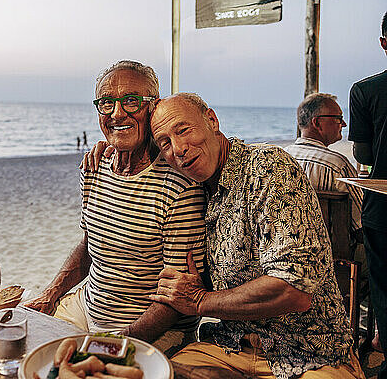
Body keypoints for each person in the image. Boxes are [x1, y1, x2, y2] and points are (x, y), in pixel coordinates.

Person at [148, 93, 364, 378]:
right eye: (165, 143)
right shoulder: (196, 185)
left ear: (212, 120)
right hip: (229, 347)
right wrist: (108, 149)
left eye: (183, 130)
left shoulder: (267, 167)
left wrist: (200, 301)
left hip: (309, 353)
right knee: (156, 373)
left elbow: (293, 290)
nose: (178, 148)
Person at [24, 61, 206, 353]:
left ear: (153, 107)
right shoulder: (94, 168)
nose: (117, 113)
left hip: (152, 331)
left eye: (131, 102)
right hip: (86, 309)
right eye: (106, 103)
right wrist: (51, 293)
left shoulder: (179, 186)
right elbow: (89, 244)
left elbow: (177, 297)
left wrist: (114, 342)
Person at [349, 11, 387, 376]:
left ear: (384, 43)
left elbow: (363, 156)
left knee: (384, 285)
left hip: (384, 204)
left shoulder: (366, 90)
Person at [284, 93, 363, 248]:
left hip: (288, 251)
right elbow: (362, 226)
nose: (344, 124)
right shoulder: (337, 166)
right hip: (335, 259)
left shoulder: (283, 157)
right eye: (339, 118)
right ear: (318, 123)